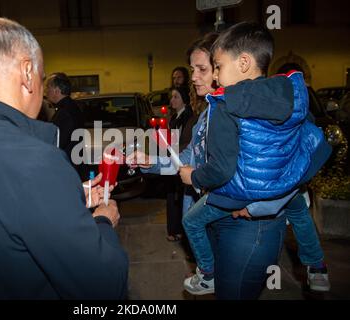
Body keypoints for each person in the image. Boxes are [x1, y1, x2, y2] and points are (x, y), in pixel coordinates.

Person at [0, 17, 128, 299]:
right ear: (27, 73)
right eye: (41, 78)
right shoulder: (35, 160)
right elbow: (102, 285)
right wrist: (102, 222)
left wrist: (69, 197)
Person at [128, 27, 326, 299]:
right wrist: (150, 163)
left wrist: (258, 205)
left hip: (252, 227)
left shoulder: (263, 108)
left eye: (202, 69)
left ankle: (315, 264)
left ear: (230, 66)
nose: (193, 77)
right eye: (192, 69)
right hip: (220, 217)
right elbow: (188, 160)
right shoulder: (208, 115)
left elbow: (297, 157)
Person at [164, 85, 196, 242]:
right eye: (172, 97)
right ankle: (174, 229)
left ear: (185, 100)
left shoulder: (188, 118)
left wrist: (171, 149)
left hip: (181, 162)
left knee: (181, 198)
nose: (172, 100)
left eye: (176, 97)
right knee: (172, 197)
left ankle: (180, 231)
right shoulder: (175, 117)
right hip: (173, 159)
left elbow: (186, 143)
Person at [46, 72, 84, 172]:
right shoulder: (70, 106)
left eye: (48, 87)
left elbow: (58, 142)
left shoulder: (65, 112)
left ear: (56, 90)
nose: (46, 91)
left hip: (68, 165)